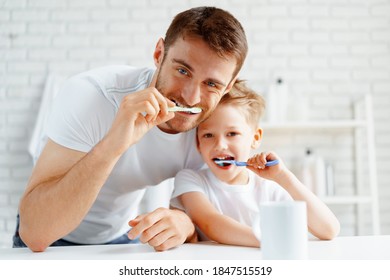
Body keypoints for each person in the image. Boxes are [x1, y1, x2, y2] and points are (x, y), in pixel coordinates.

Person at [14, 6, 248, 252]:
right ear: (159, 54)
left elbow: (219, 216)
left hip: (122, 239)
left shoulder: (214, 132)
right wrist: (114, 144)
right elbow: (35, 233)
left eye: (211, 83)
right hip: (50, 241)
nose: (191, 97)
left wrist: (185, 222)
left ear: (228, 86)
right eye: (182, 70)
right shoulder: (92, 98)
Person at [170, 81, 340, 247]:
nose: (220, 145)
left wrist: (283, 177)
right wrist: (270, 240)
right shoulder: (190, 180)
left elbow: (329, 230)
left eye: (232, 133)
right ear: (198, 143)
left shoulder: (269, 188)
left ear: (255, 138)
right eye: (208, 135)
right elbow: (210, 222)